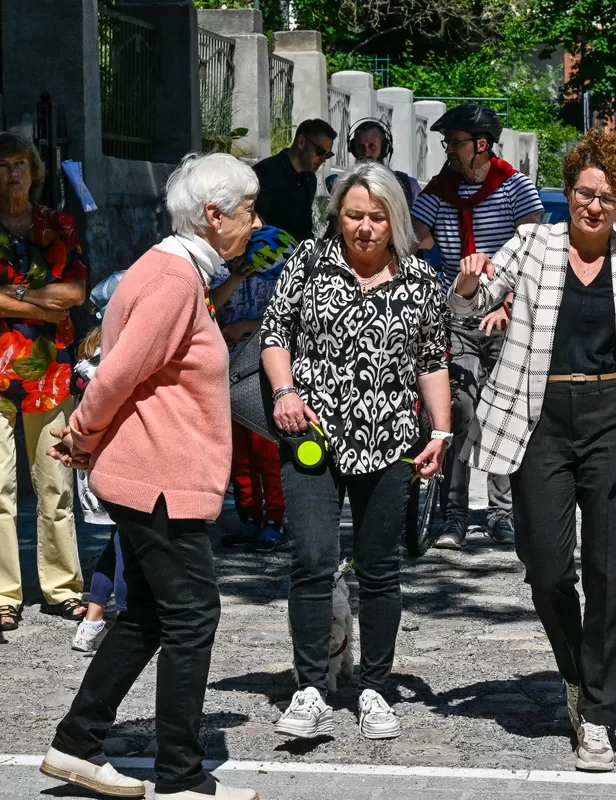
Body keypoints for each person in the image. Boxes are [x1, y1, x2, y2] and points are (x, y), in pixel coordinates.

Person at [450, 129, 616, 771]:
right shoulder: (534, 244)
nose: (593, 206)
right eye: (585, 193)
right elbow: (480, 297)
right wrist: (472, 284)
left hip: (613, 415)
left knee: (613, 574)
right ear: (569, 191)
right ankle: (578, 672)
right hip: (540, 419)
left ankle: (600, 715)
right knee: (549, 567)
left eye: (607, 198)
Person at [41, 152, 262, 800]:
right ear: (215, 215)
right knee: (193, 615)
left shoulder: (170, 270)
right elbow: (118, 371)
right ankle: (180, 778)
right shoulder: (170, 278)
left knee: (148, 617)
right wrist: (83, 433)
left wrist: (90, 438)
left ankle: (76, 743)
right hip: (159, 477)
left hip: (151, 472)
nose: (255, 221)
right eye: (248, 209)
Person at [263, 161, 450, 742]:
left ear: (394, 218)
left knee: (380, 571)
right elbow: (275, 335)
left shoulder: (420, 280)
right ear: (336, 215)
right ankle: (312, 686)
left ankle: (374, 687)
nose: (364, 228)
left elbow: (433, 361)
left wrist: (441, 433)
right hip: (312, 438)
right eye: (353, 216)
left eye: (375, 217)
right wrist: (285, 391)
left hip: (390, 440)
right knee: (313, 562)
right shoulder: (308, 264)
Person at [411, 103, 543, 549]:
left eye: (455, 142)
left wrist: (507, 302)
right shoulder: (439, 189)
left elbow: (532, 253)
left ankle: (502, 513)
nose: (447, 149)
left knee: (502, 413)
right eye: (446, 142)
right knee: (459, 410)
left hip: (506, 317)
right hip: (456, 316)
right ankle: (452, 516)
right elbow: (414, 239)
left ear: (481, 145)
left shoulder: (515, 189)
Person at [0, 131, 87, 632]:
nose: (12, 172)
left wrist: (10, 293)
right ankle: (3, 594)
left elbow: (74, 291)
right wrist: (39, 301)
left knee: (55, 485)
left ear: (34, 172)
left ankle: (61, 587)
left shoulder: (58, 225)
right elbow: (52, 299)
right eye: (3, 164)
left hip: (48, 371)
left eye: (20, 164)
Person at [212, 226, 297, 551]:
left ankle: (274, 520)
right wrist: (235, 278)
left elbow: (291, 319)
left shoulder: (277, 275)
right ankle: (250, 518)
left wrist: (248, 326)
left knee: (266, 452)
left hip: (260, 373)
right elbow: (208, 308)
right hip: (224, 373)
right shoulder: (220, 274)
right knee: (238, 453)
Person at [70, 272, 128, 653]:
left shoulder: (88, 355)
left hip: (94, 467)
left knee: (118, 540)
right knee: (131, 541)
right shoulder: (117, 354)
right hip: (118, 461)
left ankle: (92, 621)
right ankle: (127, 619)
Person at [254, 118, 337, 242]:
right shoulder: (265, 172)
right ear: (301, 142)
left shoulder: (310, 179)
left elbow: (305, 227)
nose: (323, 159)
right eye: (320, 152)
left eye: (328, 155)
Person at [331, 118, 422, 209]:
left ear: (384, 149)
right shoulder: (343, 186)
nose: (366, 153)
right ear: (353, 150)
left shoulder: (409, 186)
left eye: (372, 146)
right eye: (360, 147)